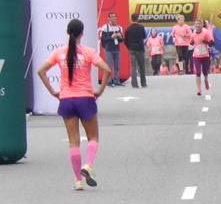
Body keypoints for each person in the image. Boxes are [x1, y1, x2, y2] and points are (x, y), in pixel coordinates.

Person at [36, 19, 112, 190]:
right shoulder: (88, 52)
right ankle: (88, 165)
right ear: (82, 33)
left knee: (73, 141)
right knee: (93, 138)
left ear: (67, 32)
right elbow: (107, 69)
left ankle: (78, 181)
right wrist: (100, 89)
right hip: (85, 97)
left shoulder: (59, 53)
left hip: (66, 99)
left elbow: (41, 71)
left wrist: (53, 91)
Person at [98, 13, 124, 87]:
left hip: (117, 49)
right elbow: (103, 39)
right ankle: (109, 81)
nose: (114, 18)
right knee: (108, 66)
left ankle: (116, 80)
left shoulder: (119, 27)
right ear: (108, 18)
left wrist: (120, 37)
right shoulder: (105, 27)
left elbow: (122, 40)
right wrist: (111, 37)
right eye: (112, 17)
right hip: (108, 49)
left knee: (117, 66)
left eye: (115, 17)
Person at [191, 21, 214, 96]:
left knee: (205, 71)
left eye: (199, 24)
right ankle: (199, 89)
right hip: (196, 56)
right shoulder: (193, 34)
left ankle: (206, 80)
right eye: (196, 24)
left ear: (201, 25)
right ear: (195, 25)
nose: (197, 25)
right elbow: (191, 42)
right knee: (198, 72)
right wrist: (191, 42)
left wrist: (205, 41)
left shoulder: (206, 33)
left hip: (205, 55)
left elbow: (212, 43)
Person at [124, 18, 147, 88]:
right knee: (141, 66)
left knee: (133, 67)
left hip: (132, 49)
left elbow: (125, 40)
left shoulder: (128, 29)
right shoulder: (141, 27)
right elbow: (144, 36)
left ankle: (134, 84)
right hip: (140, 49)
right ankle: (143, 83)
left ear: (131, 19)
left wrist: (129, 47)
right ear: (137, 20)